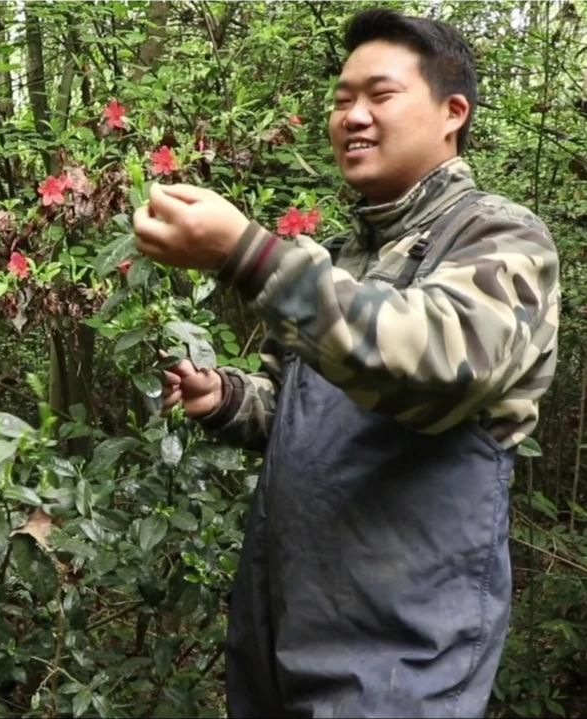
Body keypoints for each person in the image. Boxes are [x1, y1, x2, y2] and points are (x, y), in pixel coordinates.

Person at [133, 9, 559, 718]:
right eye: (340, 99)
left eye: (380, 95)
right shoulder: (343, 253)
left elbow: (439, 368)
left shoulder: (498, 235)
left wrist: (250, 252)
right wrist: (229, 399)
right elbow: (302, 412)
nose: (353, 116)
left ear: (453, 112)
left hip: (401, 651)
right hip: (284, 628)